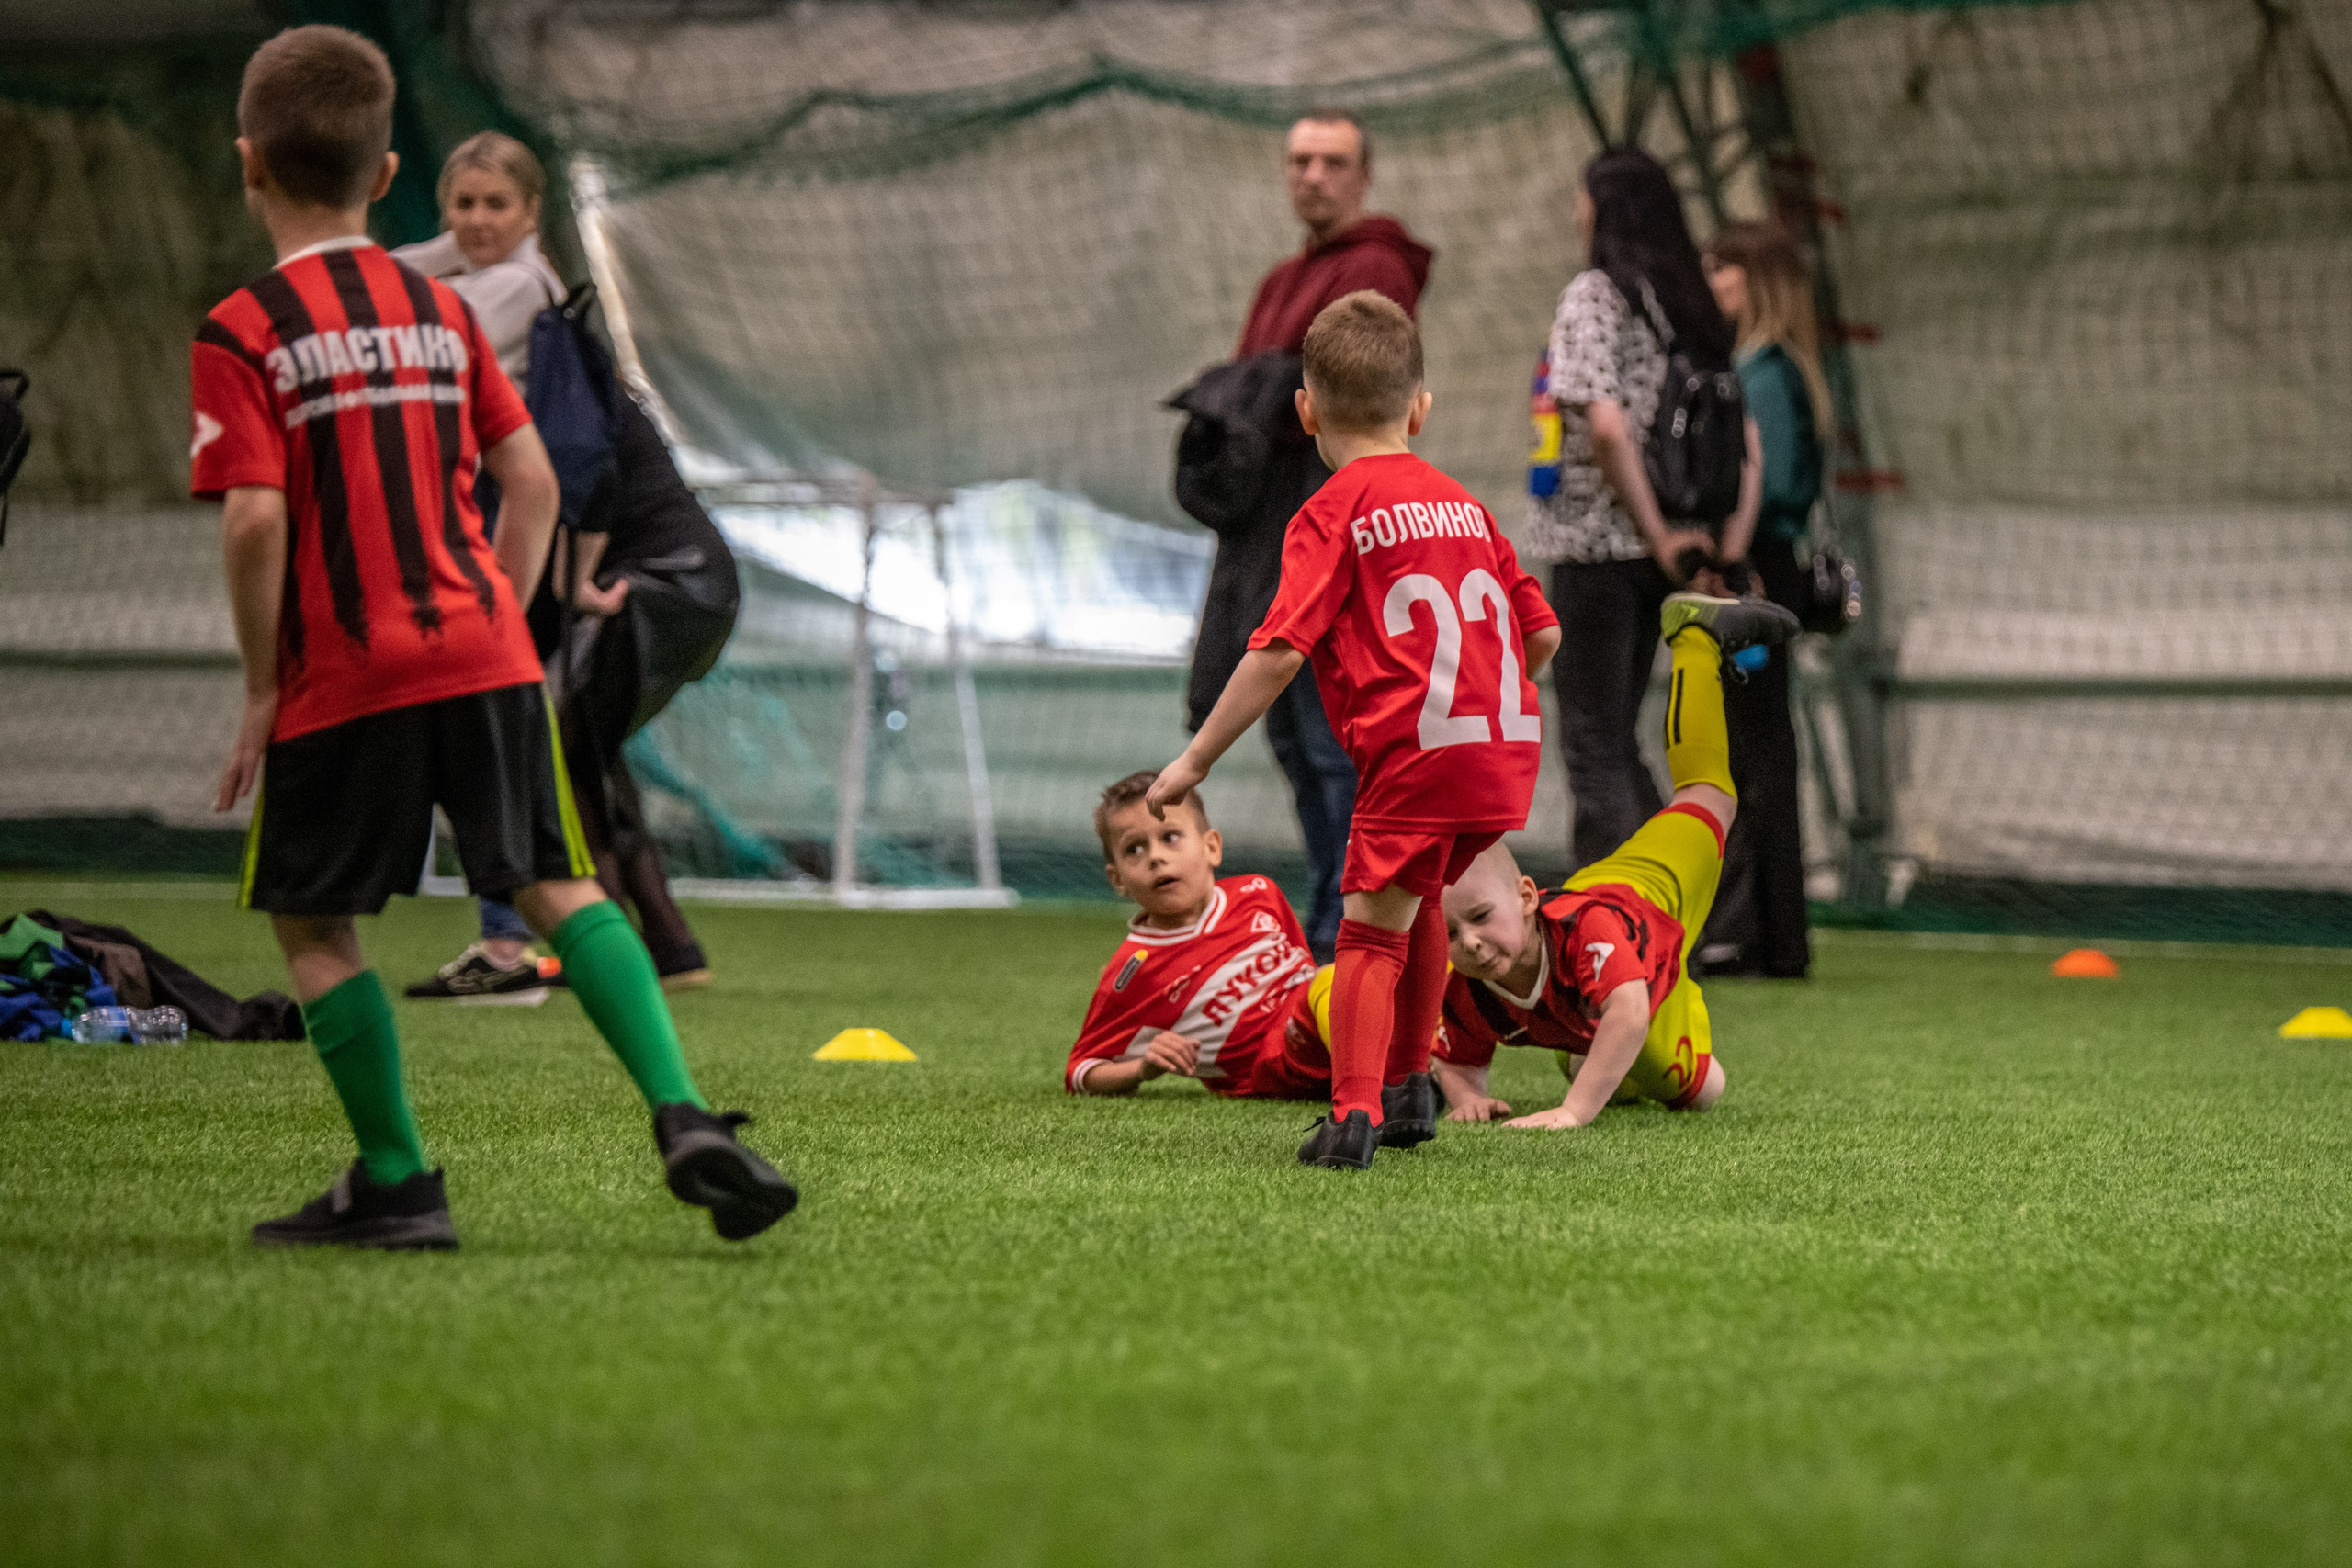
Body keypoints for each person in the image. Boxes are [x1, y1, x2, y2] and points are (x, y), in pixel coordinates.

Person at [194, 26, 794, 1248]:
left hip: (343, 667)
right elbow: (529, 477)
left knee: (315, 923)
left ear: (248, 163)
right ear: (384, 174)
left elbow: (256, 516)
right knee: (558, 881)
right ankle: (682, 1111)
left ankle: (400, 1179)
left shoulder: (242, 328)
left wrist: (261, 684)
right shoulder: (441, 308)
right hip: (482, 649)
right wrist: (509, 622)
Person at [1148, 291, 1560, 1170]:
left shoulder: (1332, 512)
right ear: (1421, 408)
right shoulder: (1466, 508)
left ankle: (1354, 1114)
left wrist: (1194, 758)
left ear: (1304, 412)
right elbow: (1545, 633)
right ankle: (1413, 1084)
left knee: (1368, 931)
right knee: (1418, 907)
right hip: (1499, 752)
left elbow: (1276, 652)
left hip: (1414, 758)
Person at [393, 133, 738, 1001]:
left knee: (549, 734)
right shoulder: (517, 285)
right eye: (460, 204)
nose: (474, 221)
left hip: (667, 575)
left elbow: (580, 458)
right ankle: (661, 949)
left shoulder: (520, 293)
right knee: (577, 745)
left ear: (531, 215)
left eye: (493, 205)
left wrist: (581, 577)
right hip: (664, 575)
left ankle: (544, 949)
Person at [1187, 110, 1434, 964]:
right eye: (1299, 161)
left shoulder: (1374, 268)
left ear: (1364, 176)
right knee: (1298, 736)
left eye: (1332, 162)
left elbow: (1349, 396)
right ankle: (1335, 916)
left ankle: (1350, 930)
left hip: (1335, 520)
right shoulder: (1284, 278)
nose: (1313, 176)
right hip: (1273, 528)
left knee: (1332, 737)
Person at [1430, 592, 1796, 1128]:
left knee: (1709, 796)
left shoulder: (1588, 934)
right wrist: (1467, 1100)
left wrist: (1574, 1111)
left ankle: (1693, 635)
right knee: (1677, 1084)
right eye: (1451, 934)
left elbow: (1626, 1012)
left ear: (1529, 897)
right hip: (1625, 952)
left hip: (1648, 893)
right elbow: (1456, 1059)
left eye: (1480, 918)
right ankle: (1597, 1048)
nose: (1470, 943)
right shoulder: (1462, 983)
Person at [1526, 149, 1747, 872]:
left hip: (1600, 543)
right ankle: (1671, 892)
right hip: (1673, 541)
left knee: (1592, 738)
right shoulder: (1684, 298)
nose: (1574, 213)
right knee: (1622, 736)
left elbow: (1607, 423)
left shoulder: (1598, 292)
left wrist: (1650, 532)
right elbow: (1738, 435)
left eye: (1582, 199)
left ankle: (1612, 915)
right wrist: (1698, 540)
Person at [1696, 220, 1830, 979]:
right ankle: (1771, 934)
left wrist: (1728, 551)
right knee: (1759, 743)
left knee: (1756, 750)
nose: (1710, 285)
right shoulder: (1770, 367)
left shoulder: (1765, 373)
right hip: (1763, 569)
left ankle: (1761, 933)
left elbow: (1769, 482)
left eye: (1723, 270)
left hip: (1757, 570)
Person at [1063, 772, 1335, 1102]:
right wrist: (1142, 1067)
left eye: (1170, 837)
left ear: (1211, 847)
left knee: (1371, 974)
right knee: (1340, 981)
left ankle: (1387, 1073)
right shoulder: (1133, 971)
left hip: (1318, 1031)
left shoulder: (1260, 892)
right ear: (1118, 879)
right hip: (1275, 1062)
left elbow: (1303, 971)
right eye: (1134, 849)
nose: (1155, 857)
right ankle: (1372, 1090)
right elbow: (1081, 1070)